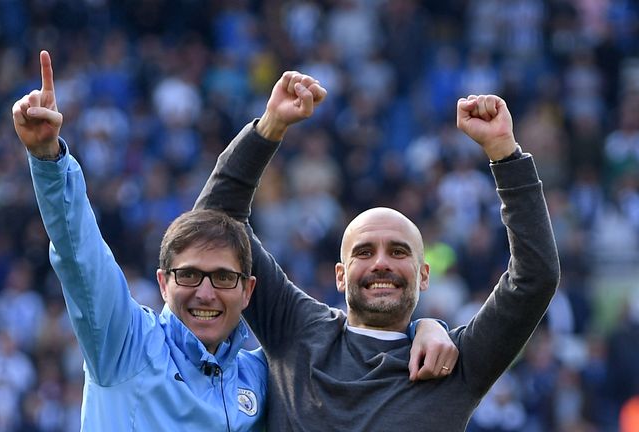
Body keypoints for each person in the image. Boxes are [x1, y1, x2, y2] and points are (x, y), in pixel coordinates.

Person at [11, 51, 456, 431]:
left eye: (223, 278)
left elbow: (353, 346)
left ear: (248, 291)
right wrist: (48, 160)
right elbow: (80, 255)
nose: (206, 292)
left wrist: (421, 326)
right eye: (190, 275)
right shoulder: (124, 343)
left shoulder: (261, 378)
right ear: (163, 283)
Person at [196, 72, 561, 430]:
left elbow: (534, 278)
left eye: (399, 252)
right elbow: (215, 225)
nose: (382, 263)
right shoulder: (297, 330)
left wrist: (505, 154)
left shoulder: (454, 363)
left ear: (424, 274)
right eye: (365, 252)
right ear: (340, 275)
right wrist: (269, 127)